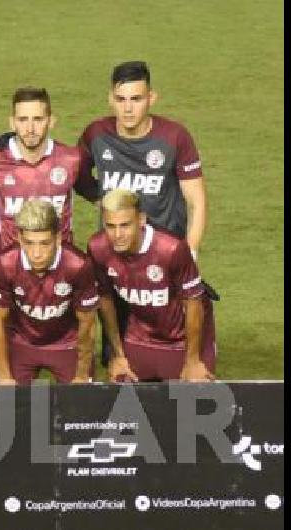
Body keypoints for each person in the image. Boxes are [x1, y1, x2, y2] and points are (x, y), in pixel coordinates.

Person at [77, 60, 216, 367]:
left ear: (151, 98)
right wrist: (100, 198)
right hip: (117, 257)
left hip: (165, 260)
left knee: (172, 349)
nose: (128, 109)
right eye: (121, 99)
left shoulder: (174, 137)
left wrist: (191, 249)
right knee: (120, 352)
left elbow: (197, 200)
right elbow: (80, 177)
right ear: (110, 99)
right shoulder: (95, 135)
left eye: (136, 99)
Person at [87, 189, 216, 382]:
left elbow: (193, 302)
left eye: (125, 225)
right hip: (141, 334)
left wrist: (193, 360)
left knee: (191, 402)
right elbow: (104, 299)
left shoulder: (171, 248)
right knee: (126, 399)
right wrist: (118, 354)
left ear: (141, 220)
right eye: (110, 226)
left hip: (182, 338)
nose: (117, 234)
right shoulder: (98, 248)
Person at [0, 199, 98, 385]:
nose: (36, 253)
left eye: (45, 243)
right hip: (22, 341)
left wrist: (81, 374)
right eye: (29, 243)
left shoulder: (78, 265)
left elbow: (87, 324)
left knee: (80, 406)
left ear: (58, 238)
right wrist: (4, 375)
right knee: (9, 407)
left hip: (66, 343)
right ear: (20, 238)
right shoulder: (4, 263)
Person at [0, 87, 95, 253]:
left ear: (51, 121)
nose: (30, 128)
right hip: (7, 266)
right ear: (12, 122)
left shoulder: (72, 159)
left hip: (60, 267)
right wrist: (3, 220)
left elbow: (97, 196)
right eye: (23, 119)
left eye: (38, 119)